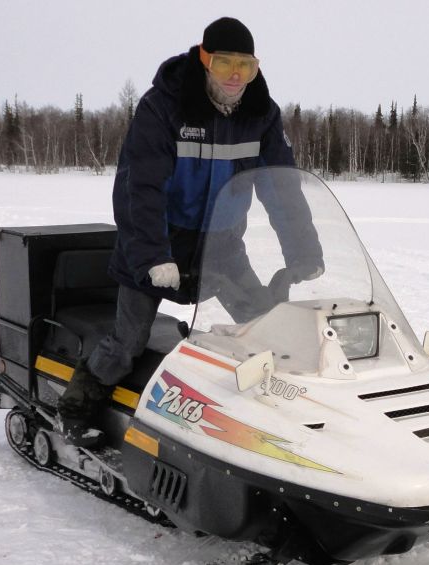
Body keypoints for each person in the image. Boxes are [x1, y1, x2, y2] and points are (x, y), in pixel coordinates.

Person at [58, 17, 323, 441]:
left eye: (245, 66)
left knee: (265, 329)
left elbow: (282, 189)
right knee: (127, 343)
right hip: (156, 243)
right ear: (203, 60)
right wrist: (152, 256)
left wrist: (303, 253)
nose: (235, 76)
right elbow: (139, 187)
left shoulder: (261, 114)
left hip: (222, 246)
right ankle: (75, 408)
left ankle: (287, 422)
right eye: (223, 64)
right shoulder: (164, 107)